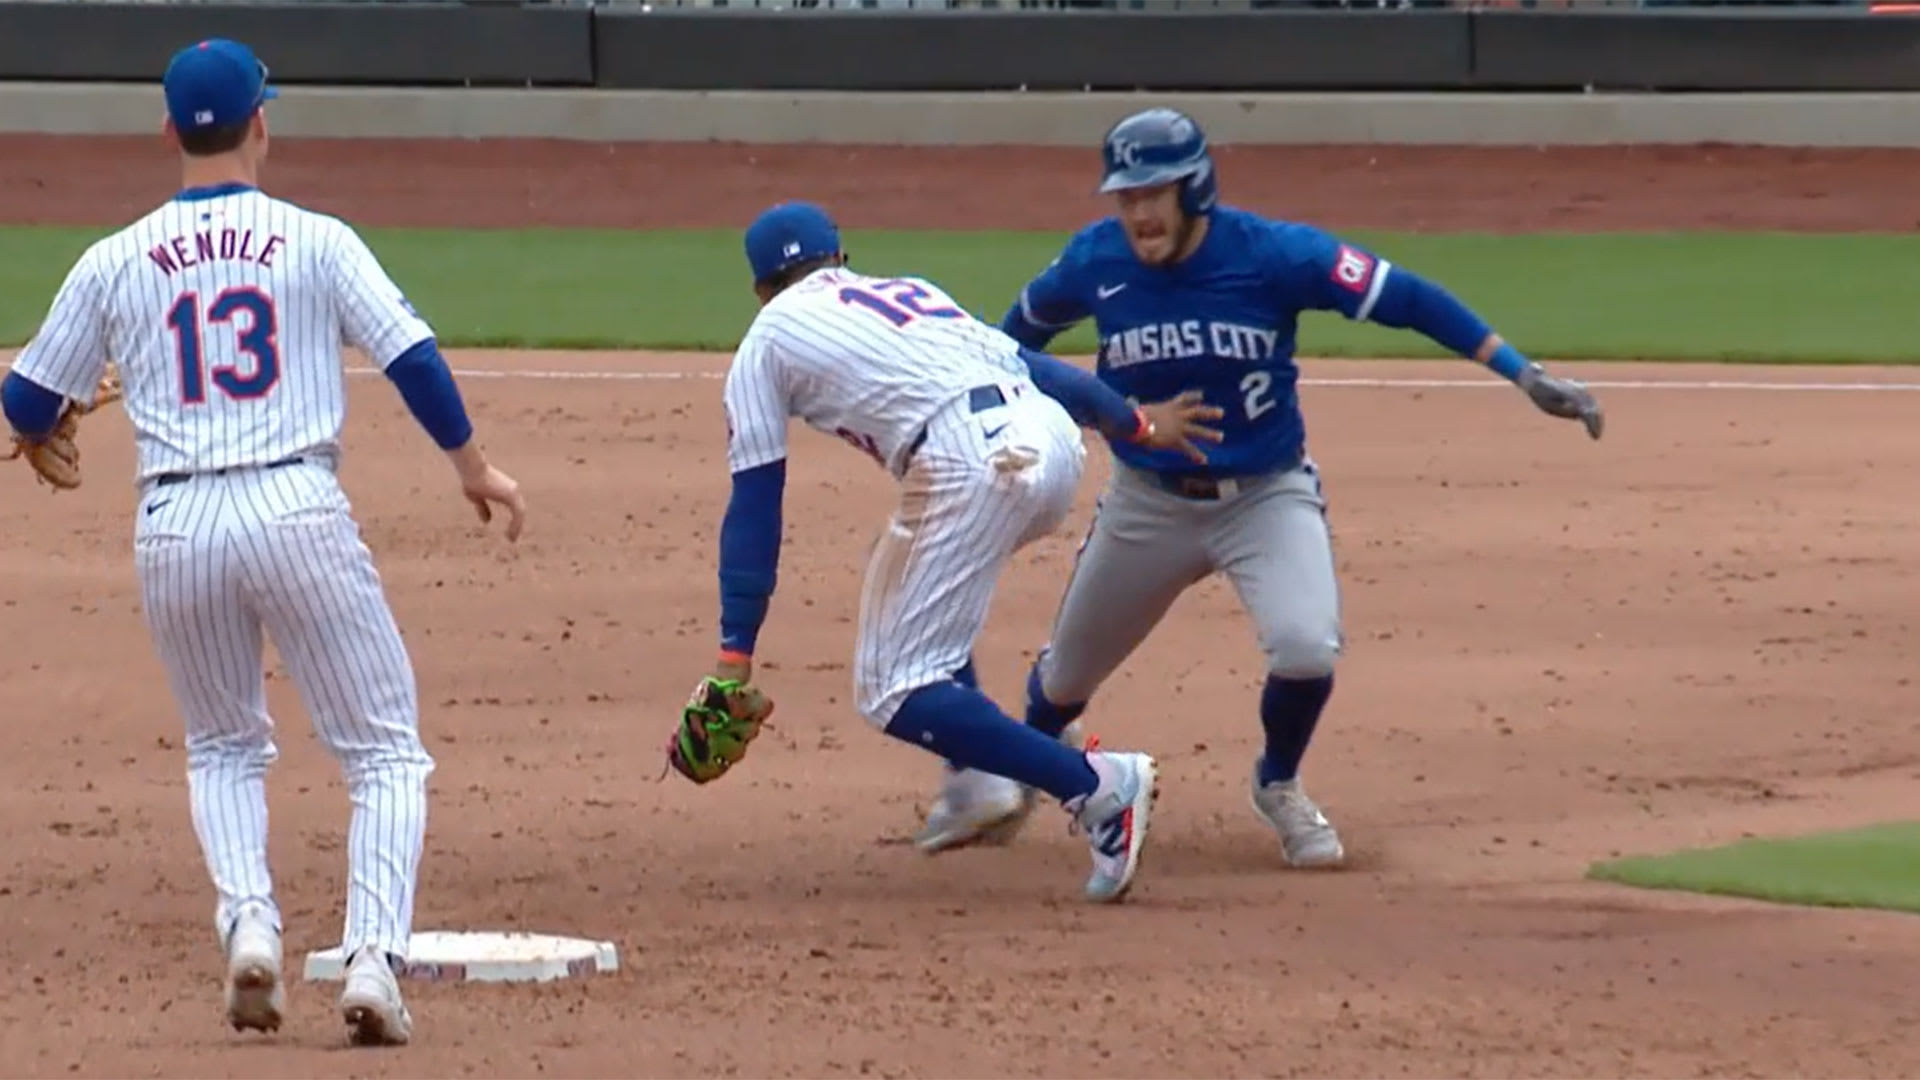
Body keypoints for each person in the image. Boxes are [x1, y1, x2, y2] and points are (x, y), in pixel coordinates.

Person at [0, 39, 526, 1045]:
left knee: (223, 744)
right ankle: (371, 960)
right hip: (296, 511)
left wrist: (35, 431)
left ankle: (248, 928)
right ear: (262, 123)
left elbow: (24, 399)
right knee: (383, 754)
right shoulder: (315, 241)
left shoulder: (111, 259)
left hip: (175, 525)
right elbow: (411, 356)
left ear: (167, 132)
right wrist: (471, 466)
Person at [914, 106, 1604, 865]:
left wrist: (1520, 371)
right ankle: (1029, 770)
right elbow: (1012, 349)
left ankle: (1278, 784)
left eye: (1155, 192)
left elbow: (1405, 297)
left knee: (1307, 647)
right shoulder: (1093, 261)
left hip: (1267, 495)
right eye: (1126, 195)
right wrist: (1083, 419)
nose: (1139, 211)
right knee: (1065, 678)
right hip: (1150, 502)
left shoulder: (1274, 254)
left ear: (1196, 188)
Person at [696, 199, 1225, 903]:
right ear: (841, 259)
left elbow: (756, 504)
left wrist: (736, 651)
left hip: (970, 463)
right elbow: (1039, 366)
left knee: (892, 689)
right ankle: (978, 780)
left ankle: (1098, 786)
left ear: (761, 288)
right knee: (903, 574)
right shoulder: (913, 295)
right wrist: (1134, 424)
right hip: (1049, 443)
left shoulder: (764, 342)